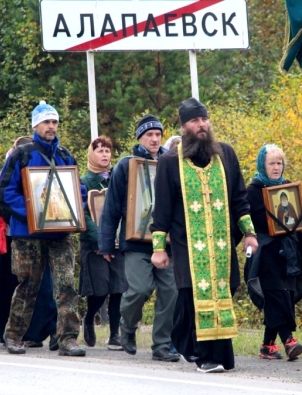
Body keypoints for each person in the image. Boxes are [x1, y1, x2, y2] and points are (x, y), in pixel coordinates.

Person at [150, 98, 259, 373]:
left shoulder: (225, 155)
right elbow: (161, 208)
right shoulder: (169, 162)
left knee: (225, 290)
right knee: (191, 295)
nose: (202, 125)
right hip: (188, 244)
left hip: (222, 244)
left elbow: (239, 198)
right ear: (184, 126)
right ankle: (202, 355)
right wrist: (158, 248)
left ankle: (212, 351)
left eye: (204, 120)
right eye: (195, 121)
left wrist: (249, 233)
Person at [0, 101, 83, 356]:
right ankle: (14, 336)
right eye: (46, 122)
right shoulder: (21, 154)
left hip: (61, 233)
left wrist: (76, 207)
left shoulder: (65, 155)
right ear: (36, 125)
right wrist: (32, 214)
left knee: (67, 285)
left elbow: (76, 189)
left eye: (55, 122)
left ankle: (68, 339)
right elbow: (5, 192)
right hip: (28, 234)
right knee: (27, 286)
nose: (51, 127)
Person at [98, 114, 179, 362]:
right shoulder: (126, 165)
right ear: (140, 138)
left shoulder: (172, 162)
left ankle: (162, 344)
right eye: (149, 135)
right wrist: (106, 243)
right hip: (135, 241)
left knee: (171, 291)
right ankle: (128, 328)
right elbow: (111, 207)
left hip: (166, 243)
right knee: (139, 289)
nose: (154, 139)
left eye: (158, 134)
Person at [0, 136, 58, 350]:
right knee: (14, 286)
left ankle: (40, 331)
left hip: (40, 233)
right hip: (10, 236)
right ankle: (10, 332)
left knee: (41, 286)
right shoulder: (7, 173)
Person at [245, 144, 302, 361]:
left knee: (286, 294)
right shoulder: (252, 191)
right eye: (272, 163)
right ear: (263, 164)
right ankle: (289, 340)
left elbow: (299, 220)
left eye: (279, 163)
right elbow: (244, 221)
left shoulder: (289, 189)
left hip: (288, 251)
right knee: (274, 295)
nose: (276, 167)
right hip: (265, 252)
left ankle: (267, 345)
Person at [79, 136, 128, 350]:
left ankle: (114, 334)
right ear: (92, 155)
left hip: (118, 243)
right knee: (99, 289)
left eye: (108, 150)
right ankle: (89, 319)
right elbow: (82, 214)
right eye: (100, 151)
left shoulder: (118, 178)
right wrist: (100, 238)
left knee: (118, 288)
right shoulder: (83, 182)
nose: (105, 154)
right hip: (94, 245)